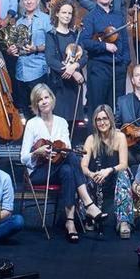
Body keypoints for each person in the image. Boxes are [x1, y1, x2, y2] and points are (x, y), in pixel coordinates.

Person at [20, 84, 105, 243]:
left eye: (46, 97)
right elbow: (23, 158)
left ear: (52, 99)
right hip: (39, 172)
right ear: (36, 104)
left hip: (58, 169)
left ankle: (70, 222)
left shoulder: (61, 122)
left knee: (68, 166)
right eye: (40, 100)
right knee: (72, 160)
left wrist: (63, 152)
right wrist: (36, 153)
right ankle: (89, 204)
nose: (44, 101)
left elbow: (67, 148)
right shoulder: (32, 124)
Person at [81, 105, 133, 238]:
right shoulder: (91, 139)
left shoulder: (120, 137)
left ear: (110, 120)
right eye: (98, 120)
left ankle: (123, 222)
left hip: (114, 178)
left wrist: (109, 170)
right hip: (96, 179)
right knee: (82, 177)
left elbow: (123, 164)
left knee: (124, 173)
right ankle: (89, 215)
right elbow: (84, 166)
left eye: (105, 118)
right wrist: (92, 174)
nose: (102, 122)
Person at [79, 0, 128, 114]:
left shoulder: (119, 16)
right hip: (99, 68)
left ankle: (115, 135)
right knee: (98, 109)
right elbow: (86, 42)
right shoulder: (90, 17)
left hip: (118, 68)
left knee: (117, 109)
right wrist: (105, 45)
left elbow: (124, 41)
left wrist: (125, 64)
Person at [45, 1, 86, 127]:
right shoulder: (51, 35)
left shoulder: (76, 35)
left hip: (73, 86)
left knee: (73, 122)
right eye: (64, 12)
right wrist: (72, 72)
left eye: (70, 13)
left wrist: (75, 66)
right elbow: (50, 59)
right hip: (59, 84)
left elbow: (84, 56)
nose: (67, 16)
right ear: (57, 13)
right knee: (58, 121)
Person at [10, 0, 51, 116]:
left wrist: (37, 48)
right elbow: (15, 44)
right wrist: (12, 50)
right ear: (22, 1)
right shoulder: (18, 22)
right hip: (21, 72)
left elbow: (52, 45)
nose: (29, 1)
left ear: (37, 0)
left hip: (38, 71)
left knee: (41, 110)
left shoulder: (47, 19)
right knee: (25, 111)